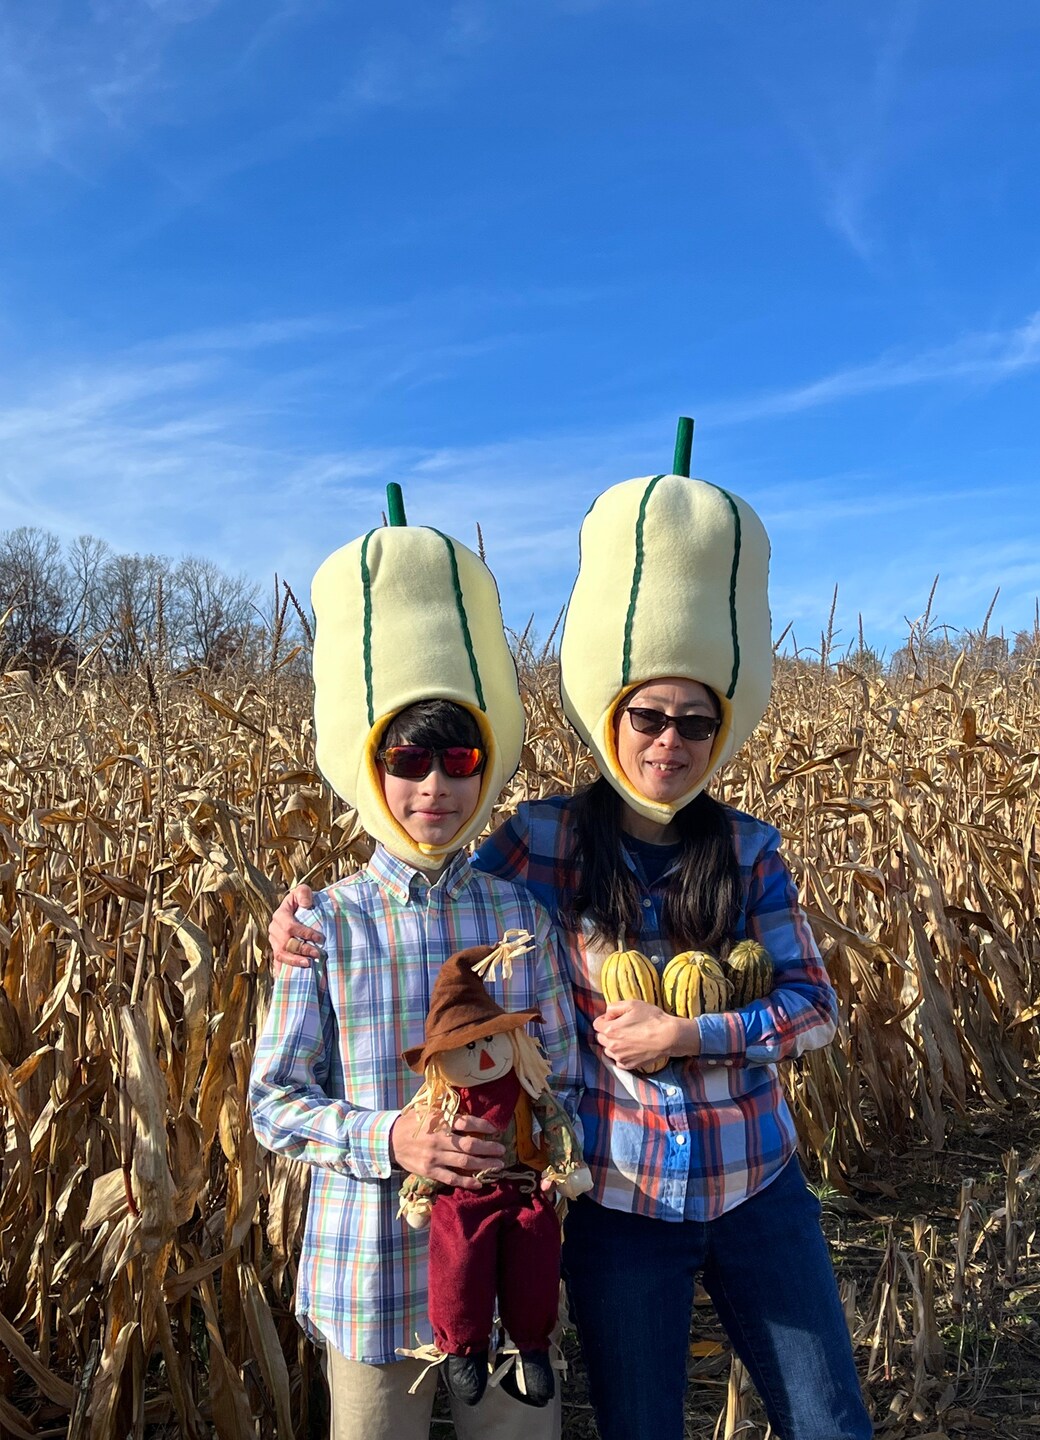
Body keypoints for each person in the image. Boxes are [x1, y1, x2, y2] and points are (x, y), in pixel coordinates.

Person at [271, 471, 872, 1440]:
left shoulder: (750, 848)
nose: (669, 742)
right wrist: (301, 921)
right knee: (640, 1427)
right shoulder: (540, 847)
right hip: (623, 1204)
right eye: (648, 717)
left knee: (830, 1421)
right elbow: (432, 864)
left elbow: (815, 1007)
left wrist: (691, 1031)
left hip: (756, 1184)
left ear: (721, 730)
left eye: (695, 722)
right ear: (613, 715)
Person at [251, 520, 581, 1440]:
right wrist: (391, 1137)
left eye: (459, 761)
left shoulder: (520, 920)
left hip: (510, 1280)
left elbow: (572, 1077)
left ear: (485, 769)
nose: (433, 786)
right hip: (372, 1271)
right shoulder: (324, 923)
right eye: (407, 761)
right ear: (373, 766)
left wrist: (556, 1160)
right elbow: (274, 1101)